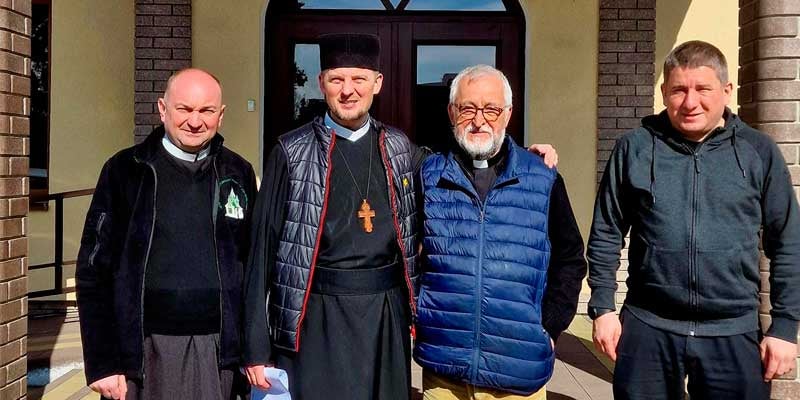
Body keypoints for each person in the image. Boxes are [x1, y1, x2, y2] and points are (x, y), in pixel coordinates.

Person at [243, 35, 557, 400]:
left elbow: (463, 164)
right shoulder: (291, 151)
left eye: (359, 79)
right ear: (321, 83)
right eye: (337, 79)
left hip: (385, 316)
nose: (348, 90)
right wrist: (256, 347)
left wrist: (522, 156)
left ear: (377, 83)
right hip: (315, 319)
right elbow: (260, 251)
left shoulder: (397, 147)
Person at [587, 40, 800, 400]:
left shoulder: (758, 152)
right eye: (678, 90)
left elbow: (788, 243)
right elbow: (606, 231)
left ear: (726, 91)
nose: (690, 102)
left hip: (732, 329)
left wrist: (784, 326)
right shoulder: (635, 148)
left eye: (703, 89)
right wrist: (603, 307)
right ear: (664, 93)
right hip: (649, 325)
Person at [76, 68, 257, 400]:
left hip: (217, 352)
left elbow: (254, 270)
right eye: (184, 109)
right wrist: (102, 362)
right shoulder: (125, 171)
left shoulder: (238, 172)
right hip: (142, 353)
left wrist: (254, 350)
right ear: (162, 109)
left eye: (206, 111)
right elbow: (93, 270)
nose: (195, 121)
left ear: (221, 115)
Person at [413, 65, 587, 400]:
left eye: (491, 109)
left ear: (507, 114)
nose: (479, 120)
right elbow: (407, 251)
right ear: (451, 113)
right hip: (444, 370)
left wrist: (549, 327)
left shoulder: (542, 177)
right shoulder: (429, 176)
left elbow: (570, 259)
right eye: (467, 108)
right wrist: (420, 312)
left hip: (518, 371)